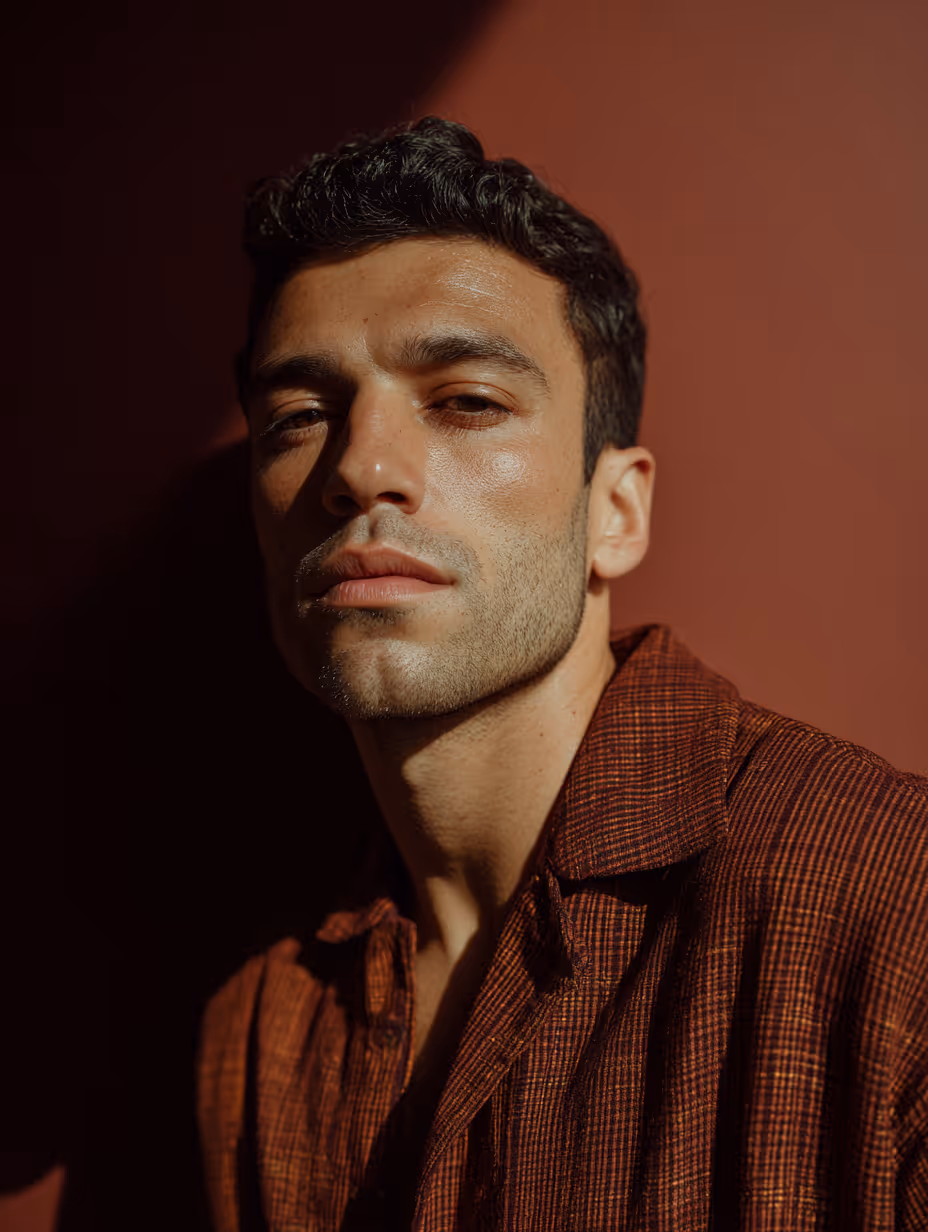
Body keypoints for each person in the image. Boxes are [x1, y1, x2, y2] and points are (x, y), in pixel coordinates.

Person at [196, 117, 928, 1231]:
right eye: (297, 417)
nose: (360, 467)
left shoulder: (889, 909)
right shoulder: (261, 1028)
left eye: (465, 401)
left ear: (615, 510)